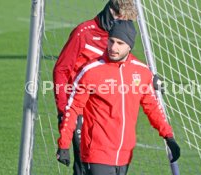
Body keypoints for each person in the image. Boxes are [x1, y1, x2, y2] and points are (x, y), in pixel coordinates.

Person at [56, 20, 180, 175]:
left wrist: (168, 136)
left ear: (130, 46)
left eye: (120, 43)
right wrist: (64, 144)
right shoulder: (90, 71)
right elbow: (73, 107)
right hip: (97, 154)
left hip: (125, 155)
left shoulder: (141, 72)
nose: (113, 47)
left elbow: (152, 107)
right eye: (111, 41)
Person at [53, 1, 137, 174]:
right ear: (111, 12)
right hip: (80, 110)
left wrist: (150, 80)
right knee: (85, 166)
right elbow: (61, 70)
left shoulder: (119, 37)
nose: (124, 23)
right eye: (121, 18)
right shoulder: (83, 32)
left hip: (106, 114)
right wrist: (63, 111)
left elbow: (128, 65)